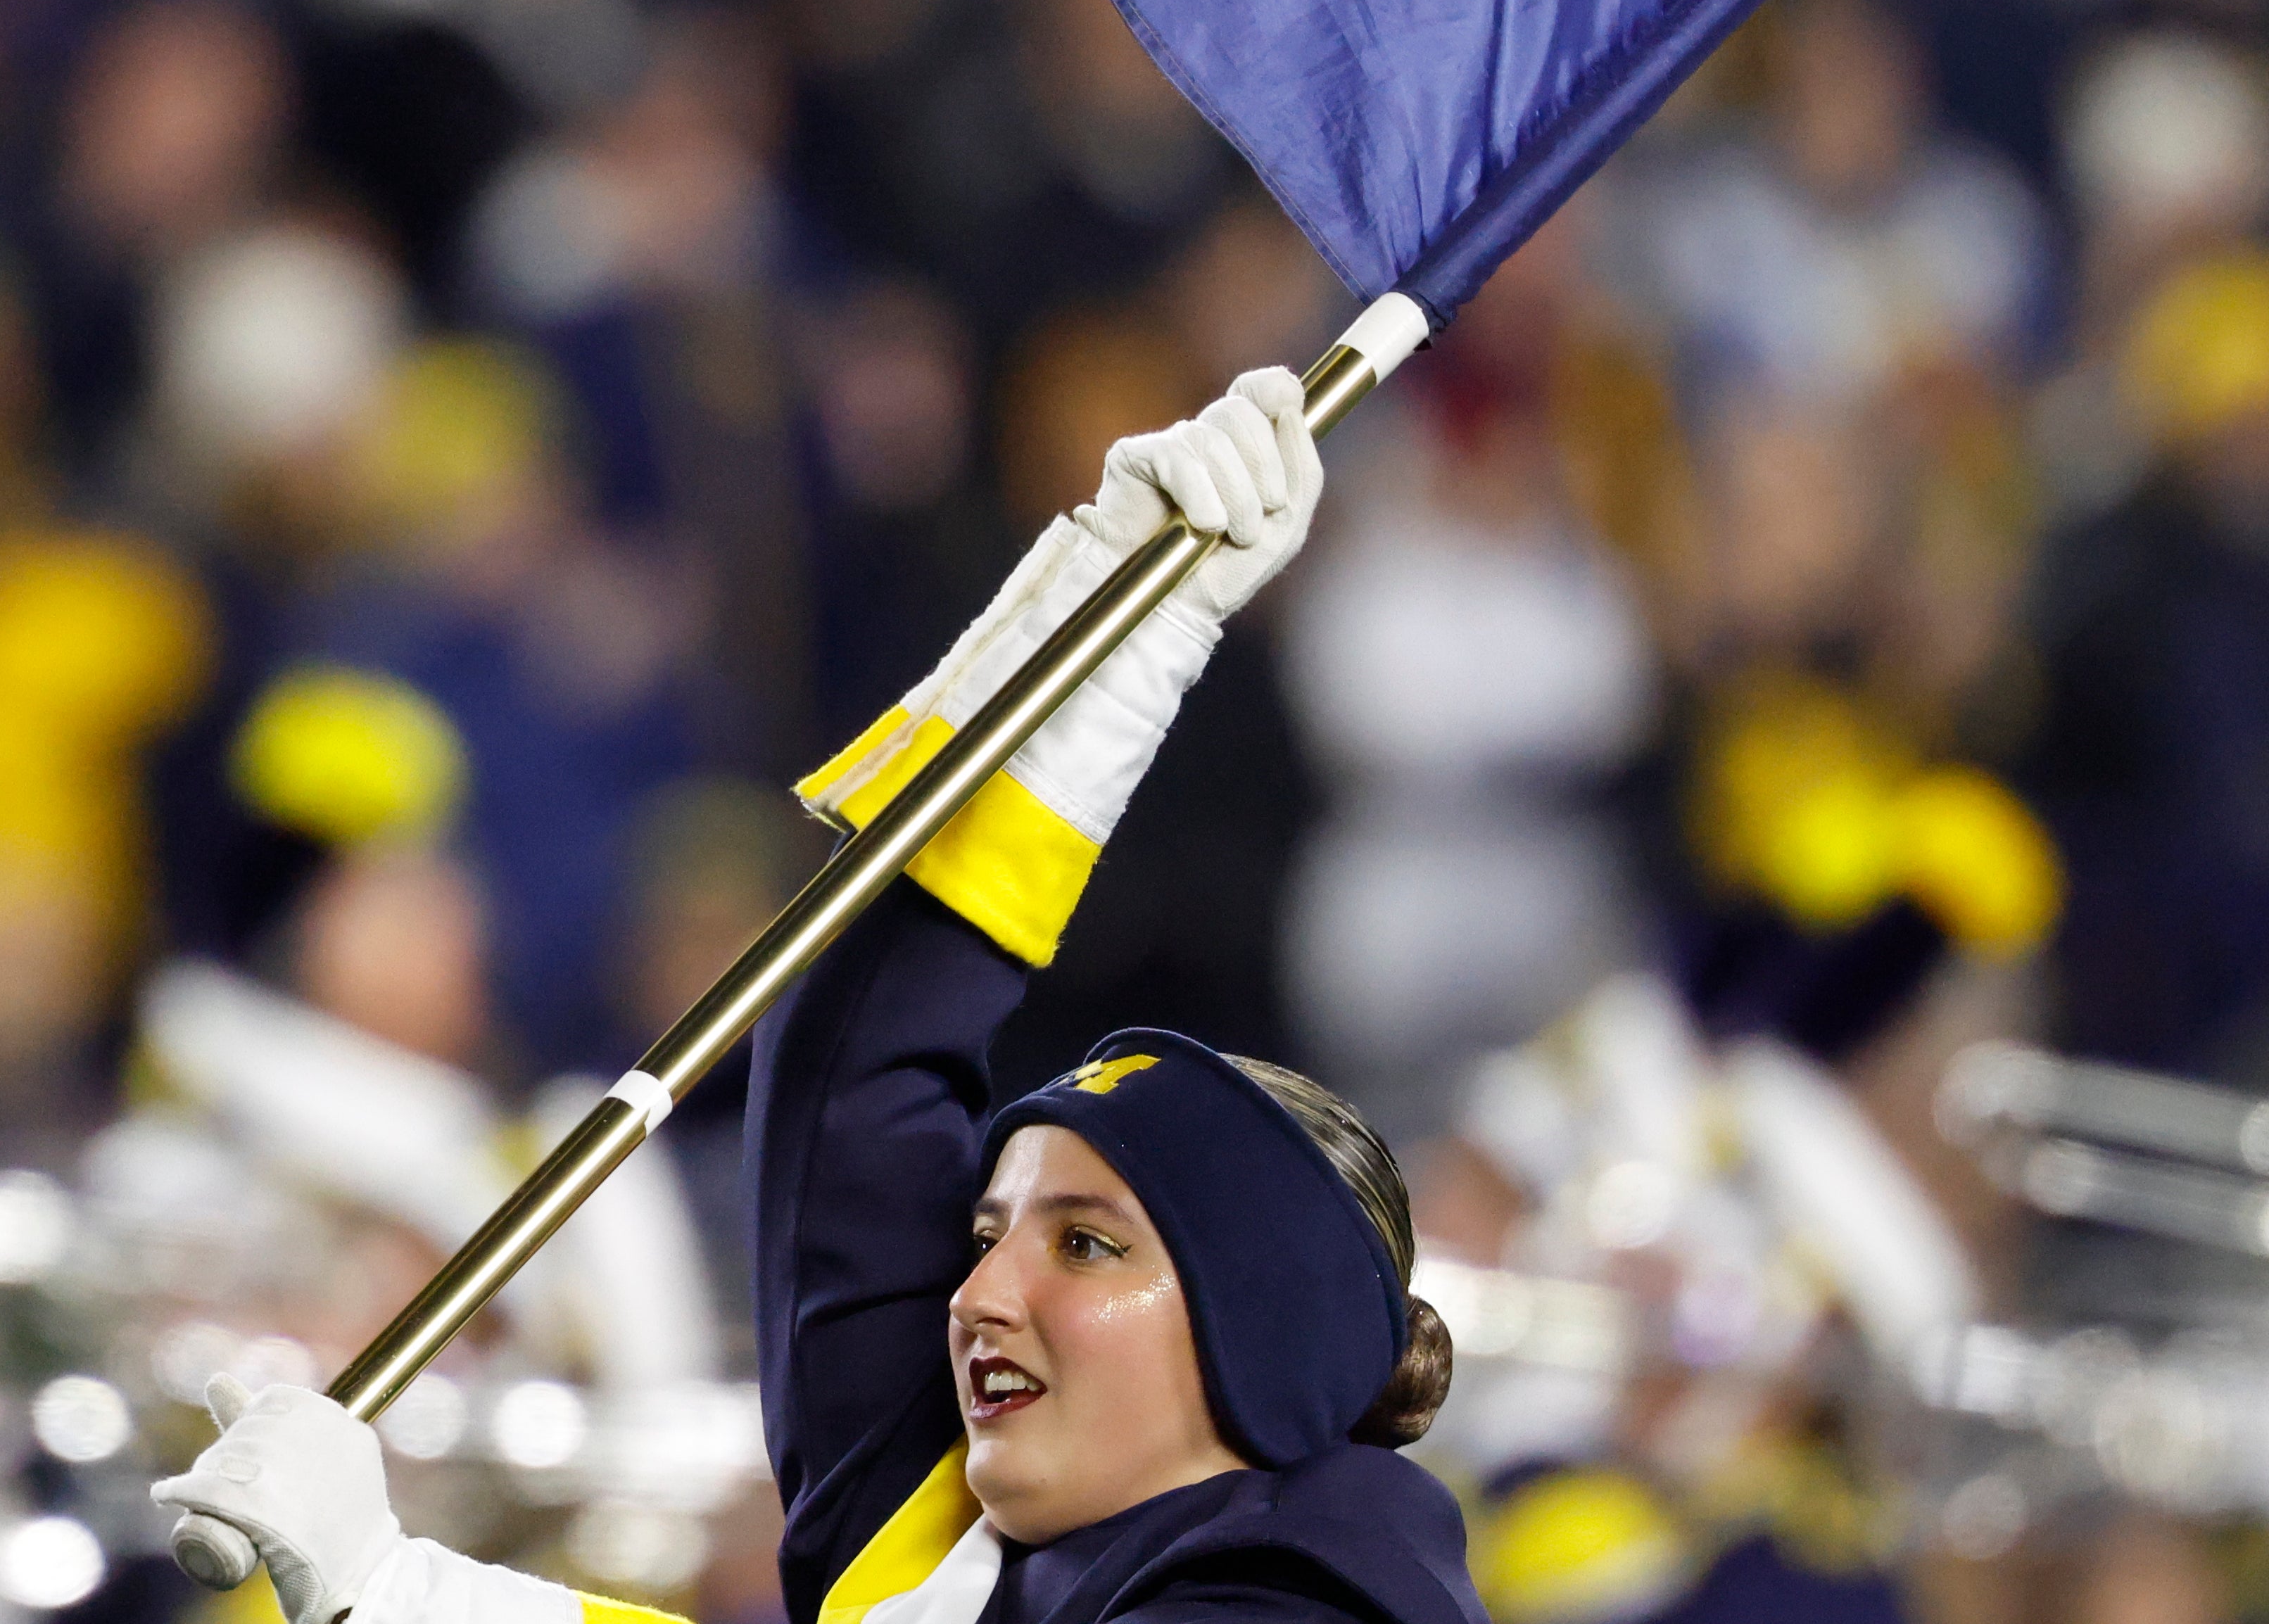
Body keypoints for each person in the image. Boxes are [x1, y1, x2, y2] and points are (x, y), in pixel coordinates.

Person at [159, 366, 1479, 1624]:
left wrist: (405, 1597)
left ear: (1268, 1332)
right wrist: (1107, 627)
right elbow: (853, 1036)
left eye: (1083, 1243)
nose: (974, 1295)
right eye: (985, 1233)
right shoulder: (976, 1544)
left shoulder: (1319, 1587)